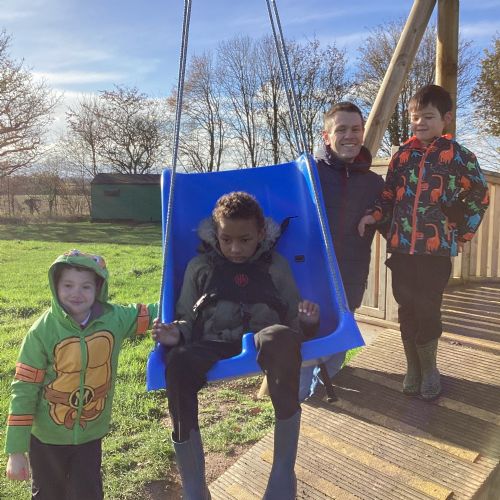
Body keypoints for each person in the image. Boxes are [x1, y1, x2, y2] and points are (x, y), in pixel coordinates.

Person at [152, 191, 320, 500]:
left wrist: (308, 322)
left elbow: (292, 319)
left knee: (280, 338)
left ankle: (282, 476)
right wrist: (176, 334)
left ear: (261, 233)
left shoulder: (275, 266)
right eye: (226, 239)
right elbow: (186, 317)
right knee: (177, 363)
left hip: (262, 338)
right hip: (211, 341)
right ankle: (195, 487)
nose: (235, 248)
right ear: (216, 234)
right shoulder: (199, 267)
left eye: (245, 240)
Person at [358, 84, 489, 401]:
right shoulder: (402, 156)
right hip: (402, 249)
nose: (420, 123)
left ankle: (430, 369)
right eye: (415, 117)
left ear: (446, 119)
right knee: (406, 307)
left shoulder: (458, 156)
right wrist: (374, 216)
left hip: (436, 251)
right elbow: (388, 195)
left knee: (428, 308)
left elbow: (479, 195)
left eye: (428, 117)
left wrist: (461, 231)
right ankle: (412, 368)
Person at [5, 249, 158, 500]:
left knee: (88, 493)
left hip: (90, 434)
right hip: (47, 438)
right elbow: (24, 389)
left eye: (86, 286)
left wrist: (185, 300)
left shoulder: (114, 319)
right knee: (48, 494)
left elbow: (154, 312)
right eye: (68, 285)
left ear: (98, 288)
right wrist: (16, 451)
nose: (76, 293)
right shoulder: (42, 332)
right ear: (55, 286)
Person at [298, 101, 384, 401]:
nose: (350, 135)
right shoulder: (308, 173)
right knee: (306, 342)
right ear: (326, 136)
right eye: (341, 129)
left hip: (350, 275)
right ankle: (299, 400)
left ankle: (320, 392)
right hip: (310, 277)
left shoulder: (373, 183)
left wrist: (375, 214)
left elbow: (388, 210)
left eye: (356, 129)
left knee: (338, 345)